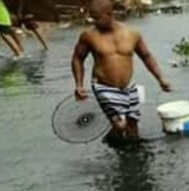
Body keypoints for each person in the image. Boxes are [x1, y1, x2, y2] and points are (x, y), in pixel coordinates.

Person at [71, 0, 171, 140]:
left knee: (133, 129)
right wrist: (79, 85)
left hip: (127, 87)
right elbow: (77, 58)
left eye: (98, 18)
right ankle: (113, 137)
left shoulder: (132, 34)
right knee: (120, 124)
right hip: (103, 86)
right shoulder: (89, 36)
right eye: (93, 18)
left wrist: (161, 79)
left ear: (109, 14)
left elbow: (146, 56)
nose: (94, 22)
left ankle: (113, 143)